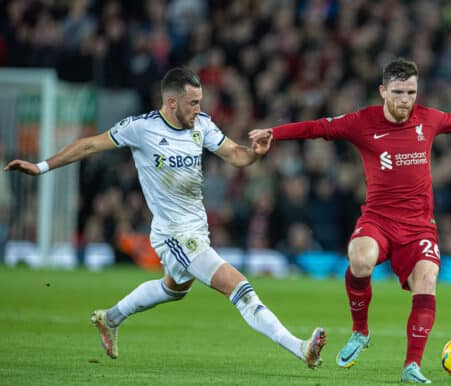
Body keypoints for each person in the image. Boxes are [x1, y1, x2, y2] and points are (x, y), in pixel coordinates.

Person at [4, 67, 326, 368]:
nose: (199, 109)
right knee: (237, 286)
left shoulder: (201, 125)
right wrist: (41, 167)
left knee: (175, 289)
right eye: (193, 103)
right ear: (172, 102)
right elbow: (89, 145)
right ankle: (301, 349)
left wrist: (255, 154)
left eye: (200, 102)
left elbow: (236, 156)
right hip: (173, 234)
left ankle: (111, 318)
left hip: (197, 229)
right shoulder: (141, 128)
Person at [249, 58, 451, 383]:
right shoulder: (362, 122)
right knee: (360, 260)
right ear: (383, 91)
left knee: (427, 281)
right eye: (399, 92)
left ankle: (411, 366)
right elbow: (318, 127)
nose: (406, 99)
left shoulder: (428, 119)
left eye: (411, 92)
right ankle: (360, 331)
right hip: (378, 219)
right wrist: (273, 133)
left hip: (419, 226)